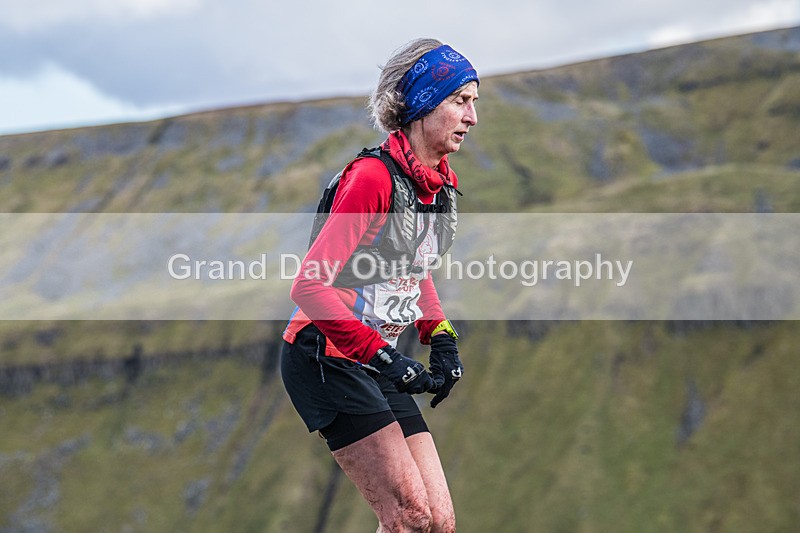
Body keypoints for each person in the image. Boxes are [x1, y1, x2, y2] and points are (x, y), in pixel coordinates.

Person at [280, 38, 478, 533]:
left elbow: (414, 270)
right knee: (409, 516)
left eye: (474, 102)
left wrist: (442, 336)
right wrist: (383, 356)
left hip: (370, 359)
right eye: (460, 100)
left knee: (440, 523)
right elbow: (310, 286)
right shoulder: (373, 177)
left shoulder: (438, 186)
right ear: (423, 104)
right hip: (324, 355)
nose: (472, 117)